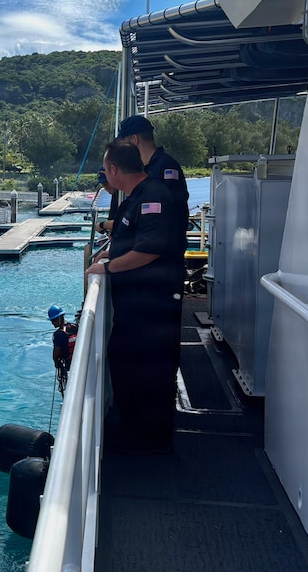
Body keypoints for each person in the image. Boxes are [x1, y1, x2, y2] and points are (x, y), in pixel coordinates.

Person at [85, 140, 185, 454]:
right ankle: (132, 430)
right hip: (137, 306)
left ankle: (152, 441)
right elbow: (129, 236)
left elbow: (149, 249)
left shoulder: (152, 196)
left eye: (105, 168)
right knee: (126, 362)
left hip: (152, 305)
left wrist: (108, 268)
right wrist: (108, 253)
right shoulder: (136, 197)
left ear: (114, 170)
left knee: (151, 370)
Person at [95, 115, 190, 249]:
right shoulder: (146, 168)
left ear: (134, 139)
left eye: (124, 143)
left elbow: (168, 212)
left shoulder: (166, 167)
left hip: (163, 251)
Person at [47, 305, 78, 395]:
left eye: (54, 320)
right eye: (51, 321)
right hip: (78, 361)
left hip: (67, 365)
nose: (52, 323)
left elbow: (56, 354)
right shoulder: (75, 327)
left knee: (68, 389)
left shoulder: (58, 335)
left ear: (60, 317)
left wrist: (56, 363)